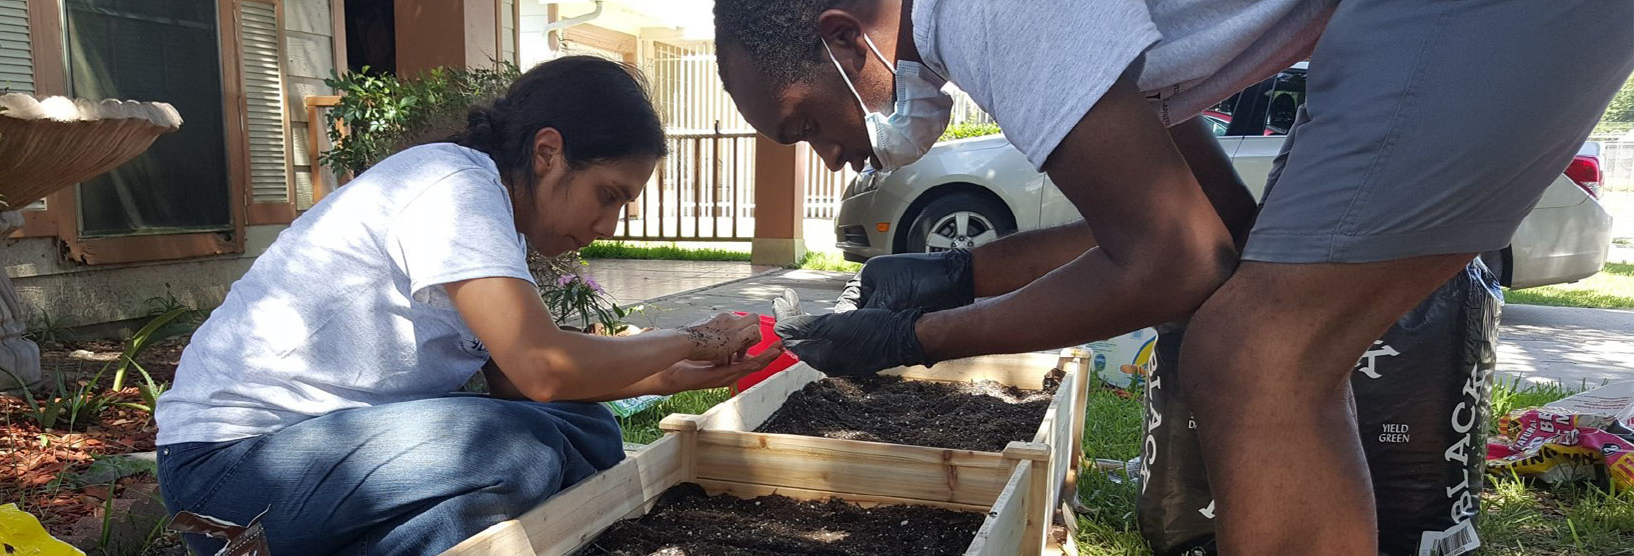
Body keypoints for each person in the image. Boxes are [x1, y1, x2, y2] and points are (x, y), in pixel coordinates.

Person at [712, 0, 1634, 553]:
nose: (831, 158)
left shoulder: (982, 12)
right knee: (1256, 333)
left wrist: (914, 338)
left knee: (1259, 356)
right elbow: (1215, 232)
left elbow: (1174, 262)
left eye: (803, 124)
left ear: (841, 32)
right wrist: (956, 275)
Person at [152, 56, 779, 556]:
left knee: (583, 426)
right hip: (233, 471)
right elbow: (542, 367)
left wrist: (674, 376)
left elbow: (517, 379)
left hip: (323, 455)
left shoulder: (493, 215)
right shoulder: (455, 188)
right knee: (524, 447)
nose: (606, 223)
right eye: (607, 194)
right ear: (546, 152)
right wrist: (692, 339)